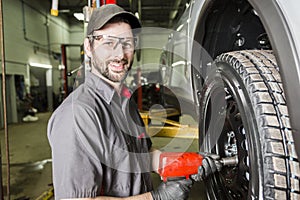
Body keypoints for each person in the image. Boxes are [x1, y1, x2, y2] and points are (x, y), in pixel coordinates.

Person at [47, 4, 195, 199]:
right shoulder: (78, 115)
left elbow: (142, 155)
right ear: (88, 47)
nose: (119, 54)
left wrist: (188, 163)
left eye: (127, 43)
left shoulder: (125, 102)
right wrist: (156, 198)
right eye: (108, 42)